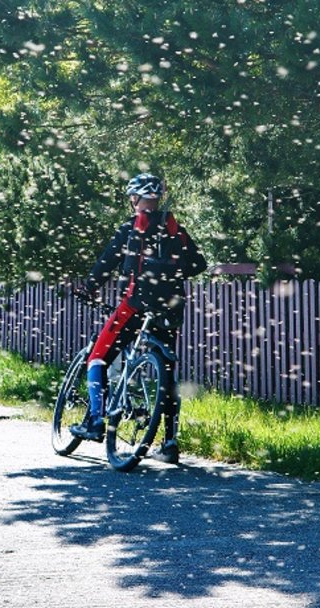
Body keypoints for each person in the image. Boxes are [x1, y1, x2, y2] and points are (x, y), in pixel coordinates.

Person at [72, 173, 207, 464]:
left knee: (97, 357)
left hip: (134, 306)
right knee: (167, 373)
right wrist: (171, 272)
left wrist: (88, 287)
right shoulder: (175, 229)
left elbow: (106, 263)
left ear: (135, 199)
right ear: (157, 199)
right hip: (170, 308)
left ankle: (95, 420)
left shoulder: (130, 229)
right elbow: (199, 264)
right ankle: (170, 443)